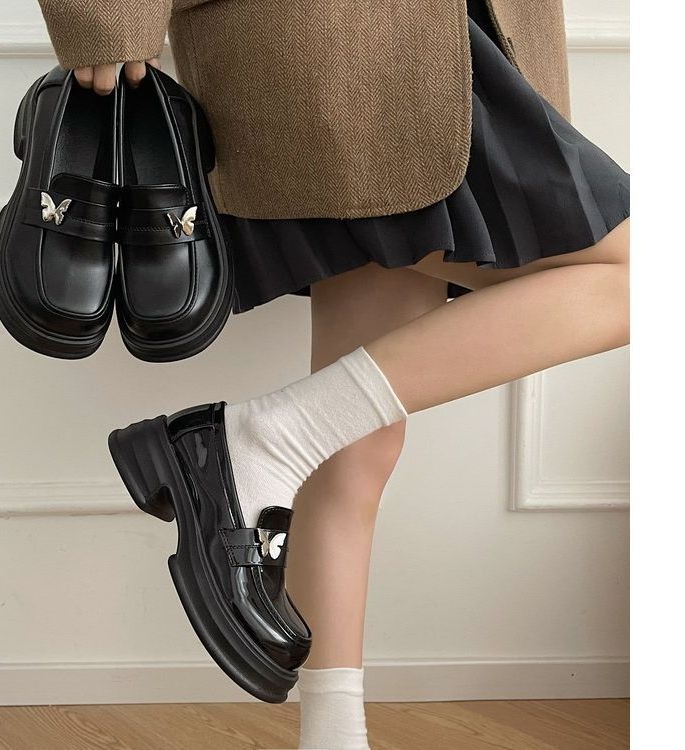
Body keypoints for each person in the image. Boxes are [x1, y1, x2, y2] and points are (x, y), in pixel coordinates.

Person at [37, 1, 630, 747]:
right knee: (636, 278)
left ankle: (332, 735)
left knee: (356, 448)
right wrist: (106, 18)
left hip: (441, 41)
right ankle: (256, 439)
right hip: (330, 40)